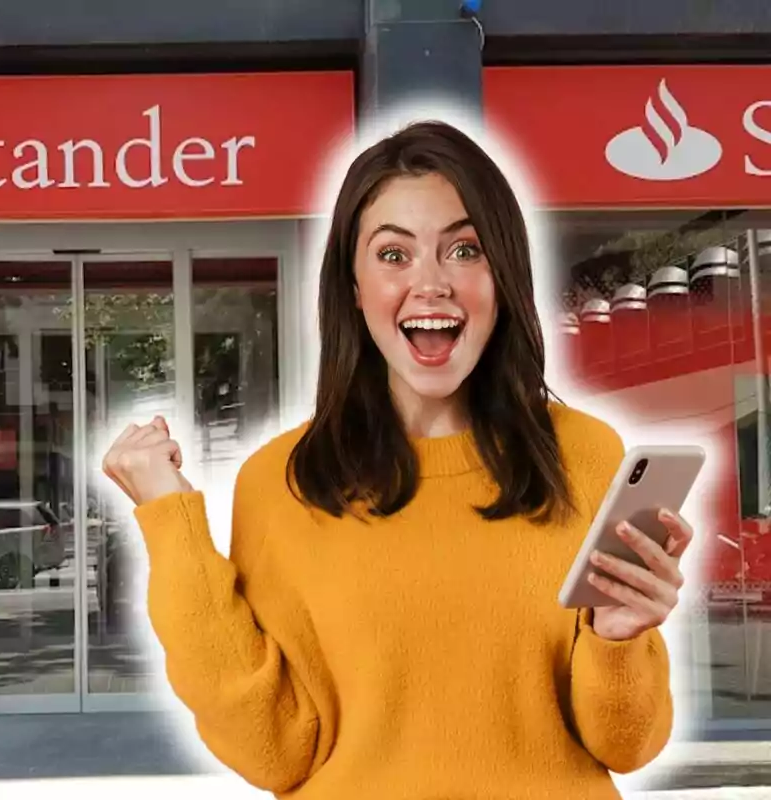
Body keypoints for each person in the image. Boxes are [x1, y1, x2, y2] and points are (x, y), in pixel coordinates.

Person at [101, 120, 694, 798]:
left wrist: (619, 638)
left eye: (464, 249)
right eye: (393, 255)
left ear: (501, 276)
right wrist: (169, 523)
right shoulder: (280, 482)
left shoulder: (584, 455)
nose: (431, 284)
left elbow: (628, 744)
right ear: (353, 287)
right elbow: (274, 752)